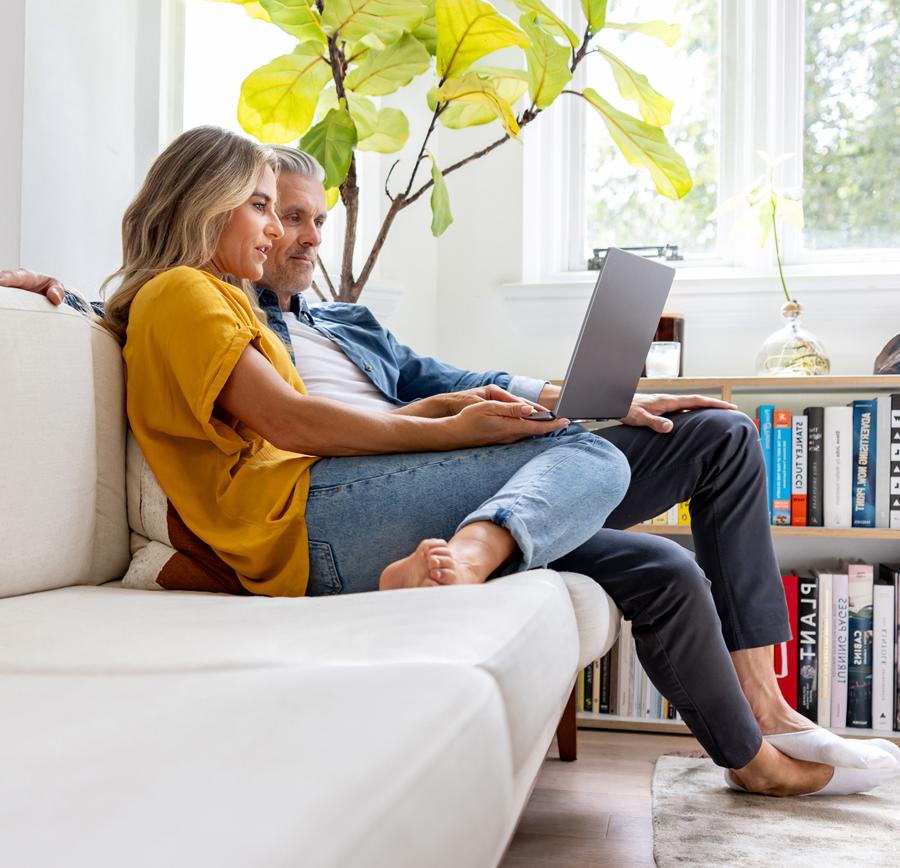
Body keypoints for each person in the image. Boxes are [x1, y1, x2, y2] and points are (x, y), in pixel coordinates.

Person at [3, 129, 898, 798]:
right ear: (211, 204)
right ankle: (472, 554)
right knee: (589, 460)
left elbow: (427, 385)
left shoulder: (303, 316)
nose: (289, 234)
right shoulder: (195, 294)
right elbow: (278, 415)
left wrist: (529, 404)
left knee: (674, 529)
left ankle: (758, 750)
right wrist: (464, 434)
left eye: (305, 218)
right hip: (325, 509)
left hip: (370, 496)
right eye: (271, 210)